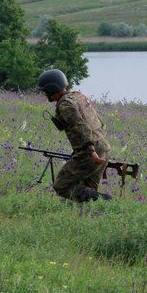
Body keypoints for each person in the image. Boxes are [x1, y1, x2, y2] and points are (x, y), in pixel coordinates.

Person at [37, 69, 111, 202]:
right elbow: (99, 122)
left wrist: (90, 151)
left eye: (45, 91)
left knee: (61, 186)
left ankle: (107, 201)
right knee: (88, 190)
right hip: (103, 147)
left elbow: (80, 126)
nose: (45, 94)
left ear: (51, 89)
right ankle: (96, 212)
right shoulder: (78, 96)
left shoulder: (65, 104)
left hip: (90, 152)